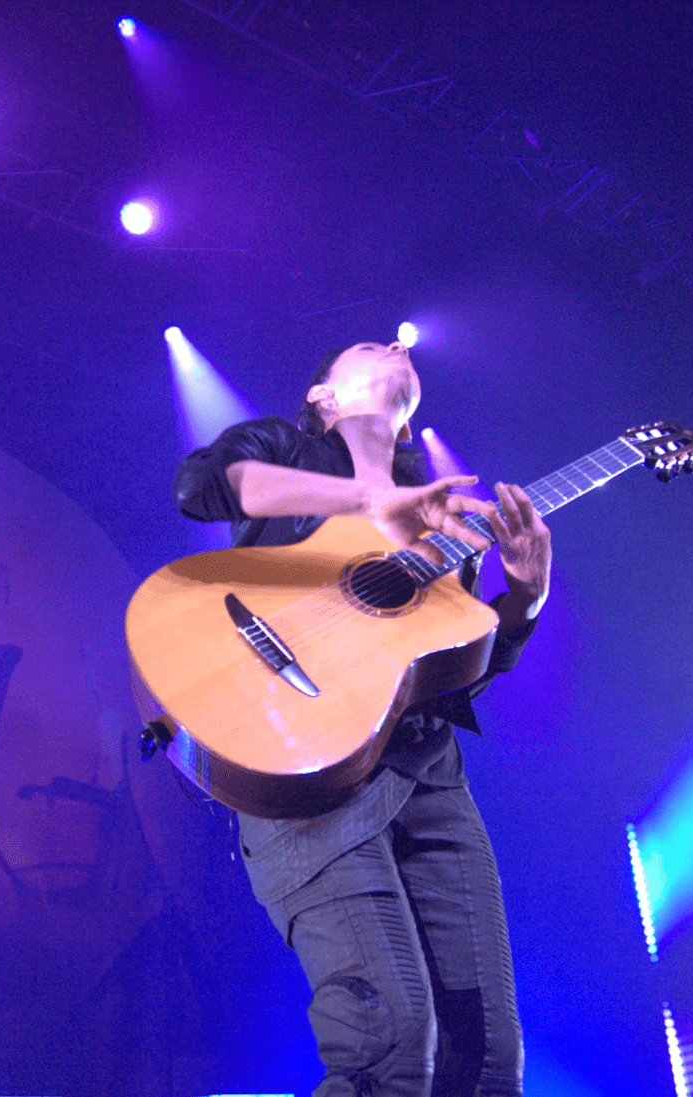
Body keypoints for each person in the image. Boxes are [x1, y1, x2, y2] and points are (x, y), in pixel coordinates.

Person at [172, 340, 552, 1095]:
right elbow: (202, 486)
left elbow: (446, 676)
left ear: (410, 428)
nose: (395, 343)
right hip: (304, 763)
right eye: (369, 346)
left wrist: (523, 603)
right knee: (391, 1037)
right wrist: (364, 502)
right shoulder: (287, 447)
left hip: (426, 773)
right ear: (324, 399)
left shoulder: (445, 525)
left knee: (488, 1054)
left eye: (399, 346)